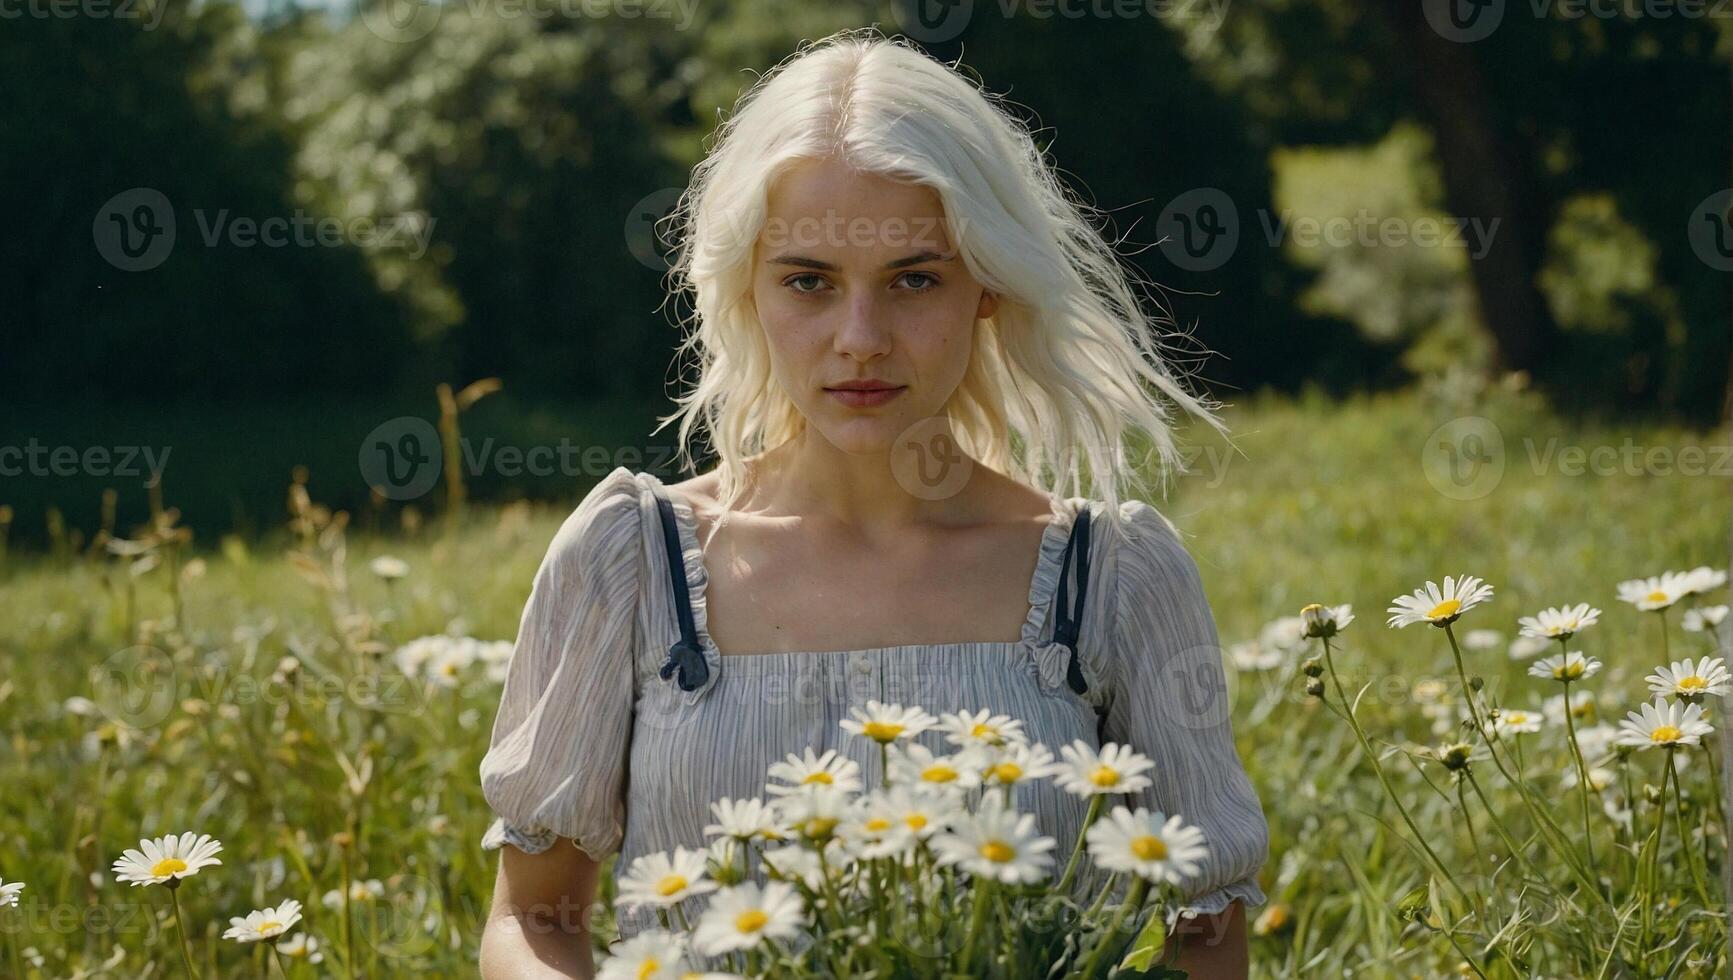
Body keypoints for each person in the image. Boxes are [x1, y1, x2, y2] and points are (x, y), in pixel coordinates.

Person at [477, 27, 1268, 979]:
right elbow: (534, 918)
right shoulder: (630, 558)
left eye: (913, 279)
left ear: (986, 285)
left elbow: (1208, 933)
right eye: (807, 281)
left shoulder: (1111, 577)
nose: (860, 338)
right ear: (746, 289)